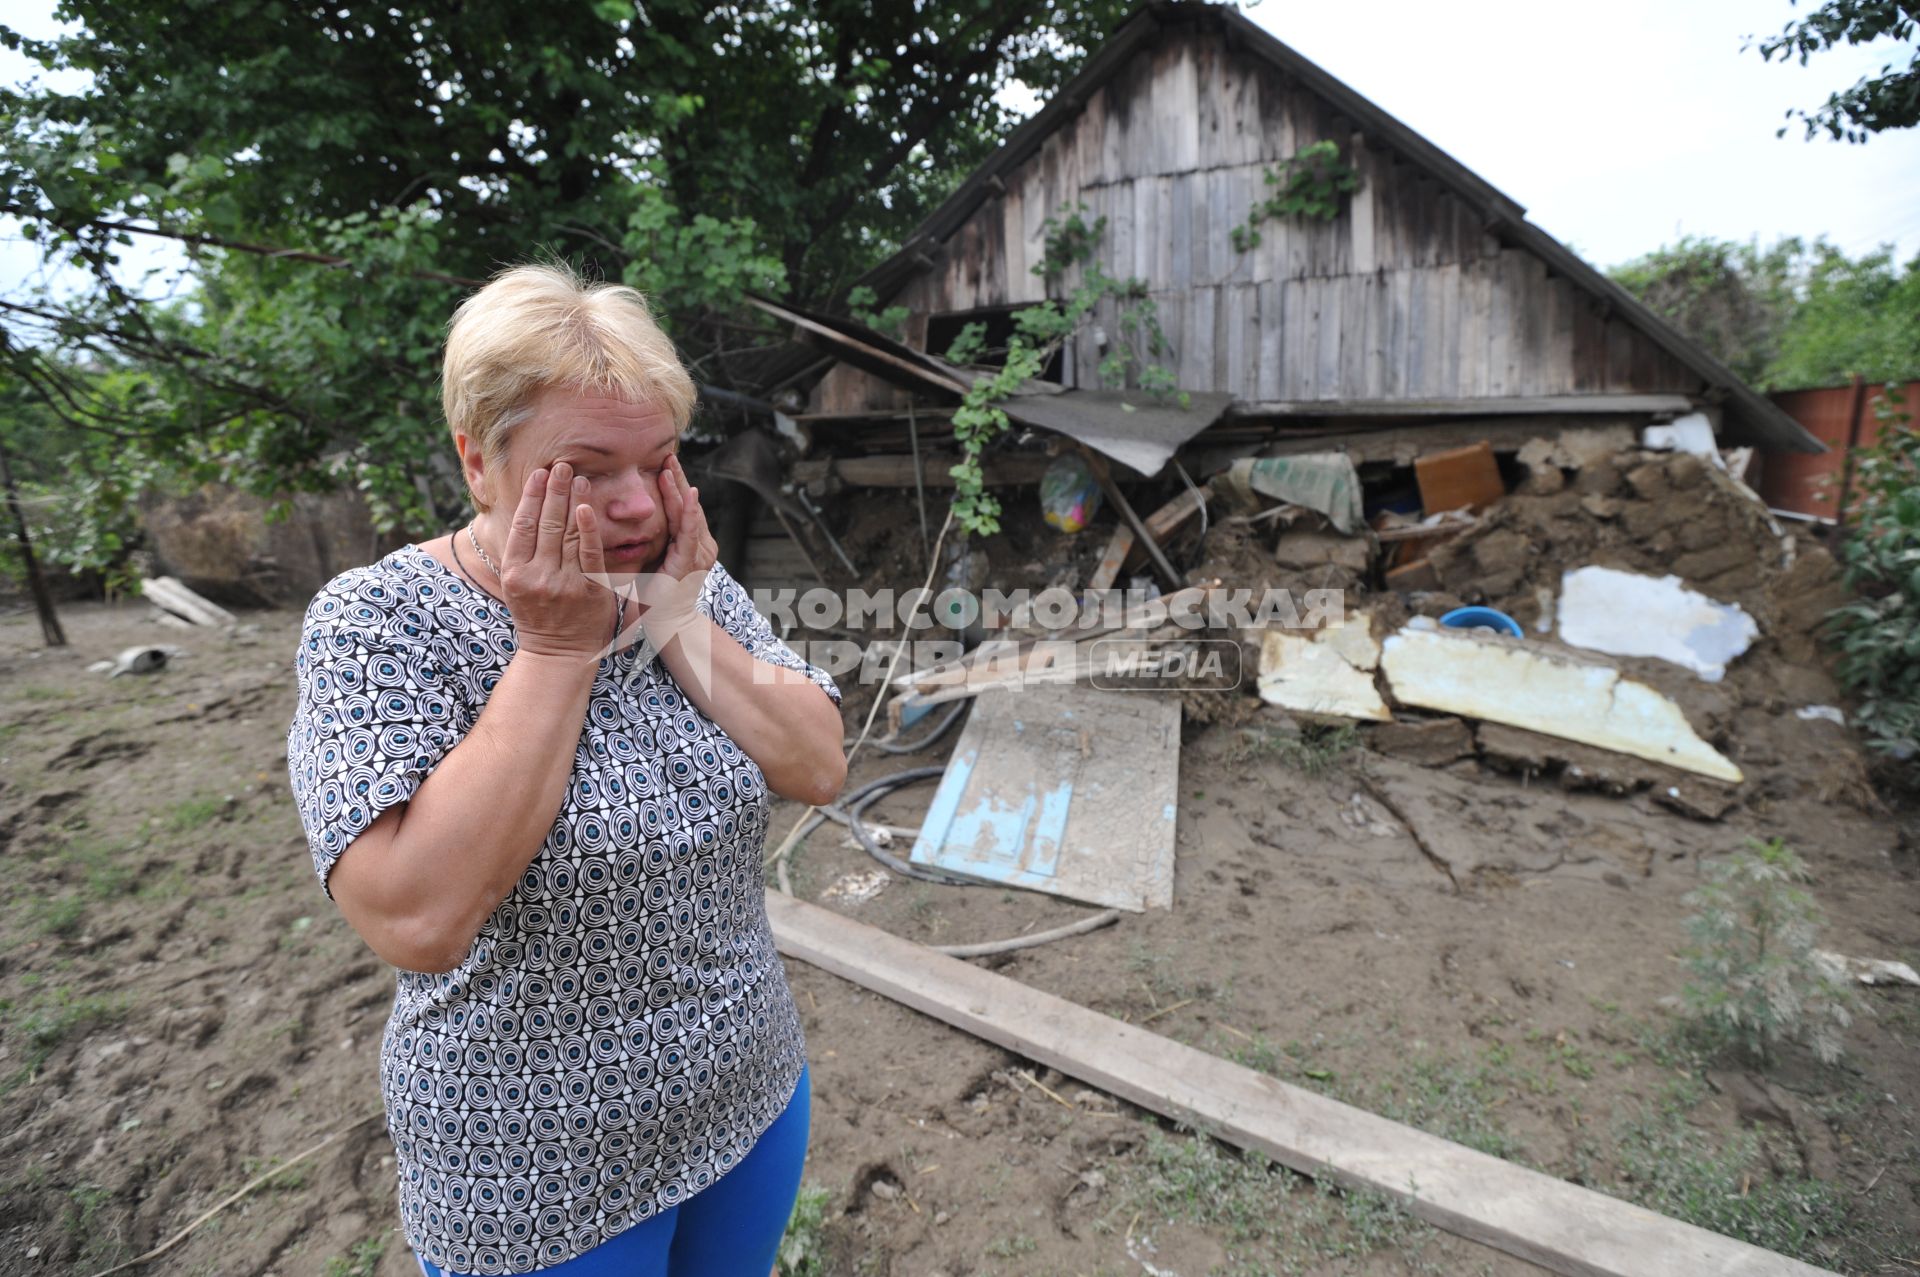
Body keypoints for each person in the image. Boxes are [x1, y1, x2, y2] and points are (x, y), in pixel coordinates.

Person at [286, 261, 847, 1277]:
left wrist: (677, 616)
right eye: (588, 468)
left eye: (661, 459)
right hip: (534, 1173)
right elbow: (415, 916)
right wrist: (552, 651)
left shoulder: (679, 580)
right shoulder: (380, 620)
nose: (638, 503)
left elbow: (817, 762)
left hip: (749, 1093)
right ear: (478, 461)